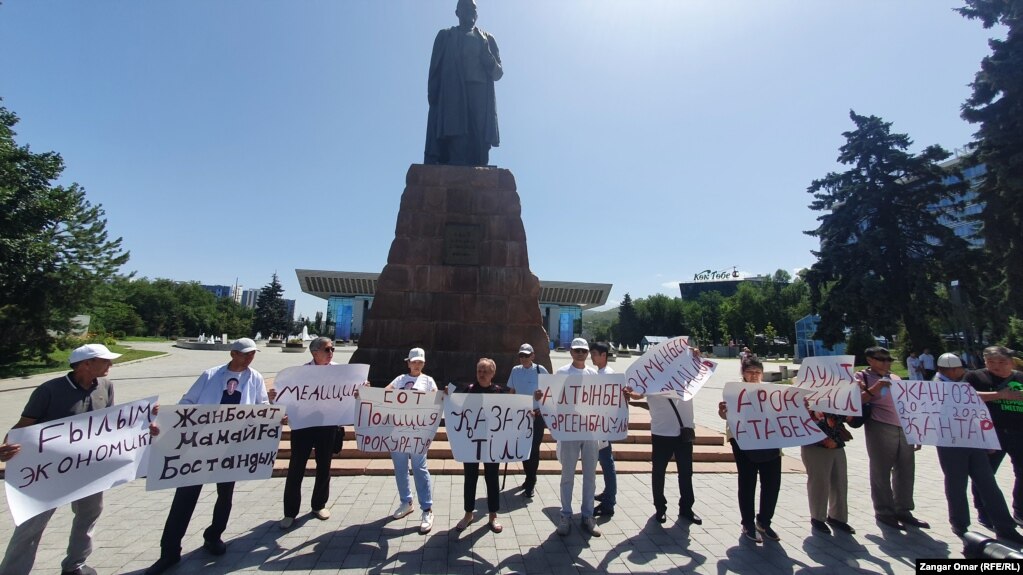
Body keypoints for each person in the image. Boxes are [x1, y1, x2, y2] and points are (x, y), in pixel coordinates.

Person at [146, 338, 271, 575]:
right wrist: (167, 421)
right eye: (245, 354)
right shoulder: (211, 375)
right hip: (199, 446)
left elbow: (261, 406)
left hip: (231, 447)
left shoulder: (255, 378)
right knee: (185, 497)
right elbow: (187, 402)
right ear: (233, 353)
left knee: (225, 495)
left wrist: (274, 418)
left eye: (253, 354)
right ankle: (169, 551)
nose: (249, 358)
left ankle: (214, 535)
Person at [0, 344, 122, 575]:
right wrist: (6, 448)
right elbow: (24, 426)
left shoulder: (105, 386)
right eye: (105, 360)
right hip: (48, 471)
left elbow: (112, 424)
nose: (110, 365)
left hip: (88, 468)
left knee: (89, 515)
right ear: (86, 364)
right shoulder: (49, 390)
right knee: (31, 526)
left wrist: (145, 425)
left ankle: (75, 565)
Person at [934, 353, 1023, 543]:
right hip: (951, 441)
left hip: (974, 439)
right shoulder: (936, 386)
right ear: (949, 369)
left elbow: (978, 411)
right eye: (959, 368)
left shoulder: (962, 382)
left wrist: (987, 439)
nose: (963, 371)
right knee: (956, 483)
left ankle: (1005, 527)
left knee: (988, 483)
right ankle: (960, 524)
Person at [855, 346, 929, 531]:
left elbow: (909, 405)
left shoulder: (895, 378)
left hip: (904, 428)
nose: (886, 363)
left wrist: (916, 429)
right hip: (880, 426)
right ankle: (884, 511)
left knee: (906, 470)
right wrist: (876, 387)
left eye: (889, 360)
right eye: (881, 359)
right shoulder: (861, 377)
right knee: (881, 470)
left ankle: (903, 509)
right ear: (870, 360)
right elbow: (856, 401)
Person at [423, 0, 502, 166]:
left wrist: (487, 56)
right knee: (455, 128)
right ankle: (455, 163)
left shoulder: (487, 38)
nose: (469, 11)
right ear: (457, 12)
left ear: (477, 14)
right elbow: (435, 67)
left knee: (479, 130)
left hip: (479, 89)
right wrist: (433, 92)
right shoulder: (446, 36)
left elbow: (498, 73)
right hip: (452, 89)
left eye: (473, 8)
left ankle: (480, 166)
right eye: (465, 7)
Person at [538, 337, 601, 537]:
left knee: (590, 475)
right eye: (577, 350)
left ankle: (587, 515)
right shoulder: (562, 372)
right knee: (568, 475)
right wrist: (542, 398)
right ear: (571, 352)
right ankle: (565, 515)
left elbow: (602, 400)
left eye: (583, 350)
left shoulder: (594, 374)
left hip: (590, 431)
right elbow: (553, 399)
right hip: (569, 430)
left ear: (587, 353)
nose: (580, 353)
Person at [718, 357, 782, 543]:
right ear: (743, 373)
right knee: (747, 482)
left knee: (772, 483)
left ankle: (764, 521)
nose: (754, 376)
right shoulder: (734, 391)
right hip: (743, 441)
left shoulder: (771, 390)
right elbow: (725, 414)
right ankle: (747, 523)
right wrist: (723, 412)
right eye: (750, 372)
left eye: (757, 372)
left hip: (769, 440)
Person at [280, 336, 341, 529]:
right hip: (303, 426)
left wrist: (360, 389)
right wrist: (280, 406)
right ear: (315, 353)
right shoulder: (301, 373)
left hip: (327, 425)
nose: (331, 353)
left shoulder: (340, 372)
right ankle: (290, 512)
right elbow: (288, 395)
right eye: (327, 350)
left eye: (332, 350)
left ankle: (319, 505)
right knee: (296, 466)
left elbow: (350, 392)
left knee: (324, 466)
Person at [625, 386, 701, 527]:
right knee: (659, 472)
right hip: (662, 432)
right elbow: (638, 394)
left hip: (684, 431)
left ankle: (686, 507)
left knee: (686, 472)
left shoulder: (687, 375)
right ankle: (660, 508)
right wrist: (631, 394)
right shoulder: (653, 377)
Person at [966, 346, 1023, 527]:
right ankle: (984, 511)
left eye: (1001, 362)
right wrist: (1000, 395)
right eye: (990, 362)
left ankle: (1020, 510)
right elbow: (966, 397)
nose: (996, 366)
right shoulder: (975, 377)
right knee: (985, 474)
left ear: (1011, 362)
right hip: (990, 433)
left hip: (1018, 432)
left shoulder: (1020, 377)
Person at [385, 347, 437, 535]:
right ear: (408, 362)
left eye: (420, 362)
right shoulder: (400, 379)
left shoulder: (428, 380)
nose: (417, 365)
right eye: (414, 361)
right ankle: (406, 501)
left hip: (417, 432)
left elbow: (435, 401)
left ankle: (427, 509)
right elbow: (384, 395)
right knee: (400, 467)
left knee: (419, 467)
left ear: (424, 363)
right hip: (398, 430)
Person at [453, 358, 508, 533]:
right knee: (470, 478)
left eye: (485, 371)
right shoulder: (468, 390)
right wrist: (447, 393)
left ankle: (493, 515)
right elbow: (455, 407)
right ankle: (468, 514)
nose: (481, 374)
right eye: (479, 371)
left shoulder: (499, 392)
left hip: (492, 443)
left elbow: (510, 415)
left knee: (492, 478)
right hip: (471, 442)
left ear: (493, 373)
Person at [801, 409, 855, 536]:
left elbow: (846, 417)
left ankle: (837, 517)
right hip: (815, 443)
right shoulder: (809, 396)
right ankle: (818, 518)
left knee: (840, 481)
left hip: (836, 441)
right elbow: (803, 416)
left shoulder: (839, 394)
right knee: (819, 481)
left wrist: (850, 413)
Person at [507, 343, 549, 498]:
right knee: (523, 449)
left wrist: (541, 396)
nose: (523, 358)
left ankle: (531, 482)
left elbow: (550, 392)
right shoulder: (515, 371)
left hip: (536, 416)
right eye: (521, 355)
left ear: (533, 355)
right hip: (520, 416)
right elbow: (512, 391)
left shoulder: (540, 370)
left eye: (526, 355)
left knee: (534, 449)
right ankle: (528, 477)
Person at [590, 341, 618, 517]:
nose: (592, 357)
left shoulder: (608, 375)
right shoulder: (596, 373)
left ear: (603, 355)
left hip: (603, 426)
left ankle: (609, 503)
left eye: (594, 354)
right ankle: (608, 493)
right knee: (604, 461)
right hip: (595, 424)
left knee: (607, 462)